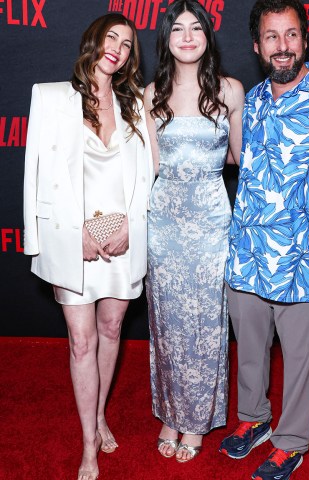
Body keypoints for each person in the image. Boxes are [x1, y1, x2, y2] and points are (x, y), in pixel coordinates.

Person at [219, 0, 309, 479]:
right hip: (248, 257)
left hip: (308, 260)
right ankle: (254, 418)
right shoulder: (253, 101)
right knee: (250, 350)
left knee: (303, 360)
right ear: (257, 45)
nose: (282, 47)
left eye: (291, 35)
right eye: (271, 37)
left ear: (305, 39)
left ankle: (291, 441)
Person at [23, 14, 153, 480]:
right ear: (92, 40)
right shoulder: (51, 96)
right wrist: (61, 234)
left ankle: (100, 415)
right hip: (72, 239)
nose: (117, 47)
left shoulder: (137, 103)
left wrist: (132, 229)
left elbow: (146, 177)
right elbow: (35, 177)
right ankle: (87, 448)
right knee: (82, 341)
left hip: (121, 237)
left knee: (112, 330)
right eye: (110, 37)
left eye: (127, 43)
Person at [144, 0, 244, 463]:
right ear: (166, 39)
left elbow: (240, 159)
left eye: (196, 27)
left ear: (208, 35)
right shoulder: (150, 95)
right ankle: (170, 412)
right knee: (166, 321)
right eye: (177, 28)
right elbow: (150, 168)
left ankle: (197, 420)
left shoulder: (230, 91)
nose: (187, 36)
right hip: (163, 222)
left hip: (209, 222)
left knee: (205, 324)